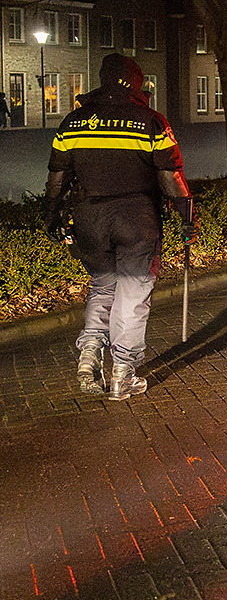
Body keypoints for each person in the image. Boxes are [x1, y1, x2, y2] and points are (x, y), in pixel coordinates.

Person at [43, 53, 196, 400]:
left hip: (90, 219)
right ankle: (123, 372)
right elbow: (170, 177)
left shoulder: (73, 122)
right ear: (136, 84)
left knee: (103, 286)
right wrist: (188, 217)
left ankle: (89, 354)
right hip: (136, 219)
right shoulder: (151, 121)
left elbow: (57, 176)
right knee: (132, 293)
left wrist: (50, 213)